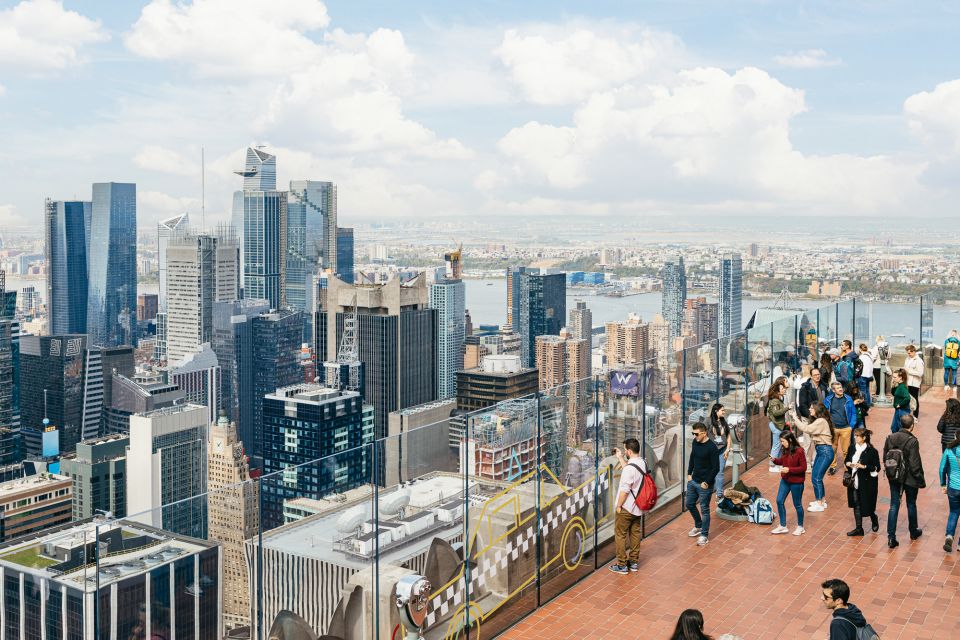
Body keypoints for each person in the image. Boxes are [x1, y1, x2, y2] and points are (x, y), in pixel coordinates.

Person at [884, 414, 926, 548]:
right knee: (911, 504)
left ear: (901, 424)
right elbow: (915, 464)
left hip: (894, 476)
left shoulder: (890, 437)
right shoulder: (912, 441)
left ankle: (891, 537)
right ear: (912, 426)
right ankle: (913, 532)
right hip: (909, 478)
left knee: (894, 505)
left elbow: (885, 456)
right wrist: (920, 479)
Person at [609, 438, 646, 574]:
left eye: (625, 450)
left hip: (626, 507)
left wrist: (618, 506)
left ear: (629, 451)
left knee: (620, 535)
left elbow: (624, 490)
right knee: (635, 533)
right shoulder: (642, 463)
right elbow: (630, 470)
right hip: (638, 507)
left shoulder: (630, 469)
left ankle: (622, 564)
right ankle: (634, 562)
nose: (624, 452)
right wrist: (620, 457)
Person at [685, 422, 720, 547]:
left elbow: (716, 468)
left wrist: (707, 482)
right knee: (689, 504)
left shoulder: (712, 448)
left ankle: (704, 535)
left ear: (704, 433)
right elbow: (692, 457)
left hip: (705, 484)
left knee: (704, 509)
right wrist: (689, 473)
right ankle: (698, 525)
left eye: (696, 434)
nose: (694, 436)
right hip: (693, 480)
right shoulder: (695, 442)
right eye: (693, 434)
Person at [797, 402, 835, 512]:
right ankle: (821, 500)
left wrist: (795, 417)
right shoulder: (819, 421)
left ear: (817, 410)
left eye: (811, 408)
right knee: (816, 476)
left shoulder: (820, 421)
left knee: (816, 477)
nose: (809, 409)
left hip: (825, 451)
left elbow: (806, 429)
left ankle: (819, 503)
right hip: (822, 451)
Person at [844, 428, 880, 536]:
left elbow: (877, 467)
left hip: (867, 483)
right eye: (855, 435)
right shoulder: (851, 448)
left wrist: (863, 466)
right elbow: (846, 460)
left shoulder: (872, 451)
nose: (855, 438)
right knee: (856, 503)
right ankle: (859, 528)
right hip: (854, 481)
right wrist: (849, 464)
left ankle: (873, 517)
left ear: (864, 438)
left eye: (857, 436)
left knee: (867, 504)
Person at [770, 430, 807, 535]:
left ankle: (800, 527)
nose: (781, 443)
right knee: (779, 500)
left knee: (797, 504)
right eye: (781, 441)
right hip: (785, 480)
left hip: (797, 483)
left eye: (783, 441)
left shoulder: (799, 451)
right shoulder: (785, 450)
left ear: (790, 440)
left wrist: (789, 469)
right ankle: (782, 526)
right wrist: (774, 460)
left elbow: (803, 468)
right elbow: (782, 461)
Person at [824, 381, 856, 476]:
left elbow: (853, 413)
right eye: (838, 388)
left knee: (846, 450)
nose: (841, 389)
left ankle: (847, 468)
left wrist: (851, 426)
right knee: (833, 449)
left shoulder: (848, 399)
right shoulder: (828, 400)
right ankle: (832, 467)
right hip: (833, 429)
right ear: (833, 390)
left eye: (841, 387)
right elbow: (824, 413)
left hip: (846, 428)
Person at [938, 434, 960, 552]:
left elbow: (942, 468)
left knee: (954, 512)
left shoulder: (949, 450)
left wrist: (943, 484)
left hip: (953, 488)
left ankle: (949, 536)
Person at [708, 403, 732, 500]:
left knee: (720, 471)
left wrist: (727, 449)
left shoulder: (723, 421)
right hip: (712, 451)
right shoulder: (708, 421)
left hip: (723, 450)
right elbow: (702, 433)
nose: (724, 412)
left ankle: (719, 494)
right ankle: (712, 488)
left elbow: (728, 436)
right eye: (722, 410)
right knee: (712, 471)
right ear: (716, 411)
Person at [766, 382, 788, 471]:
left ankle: (777, 463)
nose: (784, 389)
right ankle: (772, 466)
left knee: (779, 445)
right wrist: (787, 408)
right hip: (776, 426)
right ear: (778, 392)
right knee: (776, 445)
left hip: (779, 425)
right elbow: (775, 413)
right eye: (782, 389)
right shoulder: (775, 401)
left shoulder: (779, 399)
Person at [904, 344, 924, 417]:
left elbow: (920, 373)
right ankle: (908, 414)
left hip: (914, 383)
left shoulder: (919, 361)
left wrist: (909, 371)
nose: (908, 354)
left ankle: (915, 416)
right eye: (907, 353)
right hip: (907, 382)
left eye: (909, 353)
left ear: (914, 351)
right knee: (907, 399)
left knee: (915, 400)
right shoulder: (907, 359)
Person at [891, 369, 912, 433]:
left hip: (902, 411)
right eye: (893, 377)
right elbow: (894, 393)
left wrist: (900, 404)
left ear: (900, 378)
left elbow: (907, 398)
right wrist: (893, 386)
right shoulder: (899, 385)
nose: (893, 378)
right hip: (899, 410)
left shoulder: (902, 387)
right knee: (894, 428)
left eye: (895, 377)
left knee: (900, 429)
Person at [856, 343, 873, 408]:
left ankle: (865, 405)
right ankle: (869, 403)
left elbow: (859, 367)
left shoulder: (861, 357)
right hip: (869, 375)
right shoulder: (870, 356)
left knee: (863, 390)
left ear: (860, 349)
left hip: (862, 375)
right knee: (867, 389)